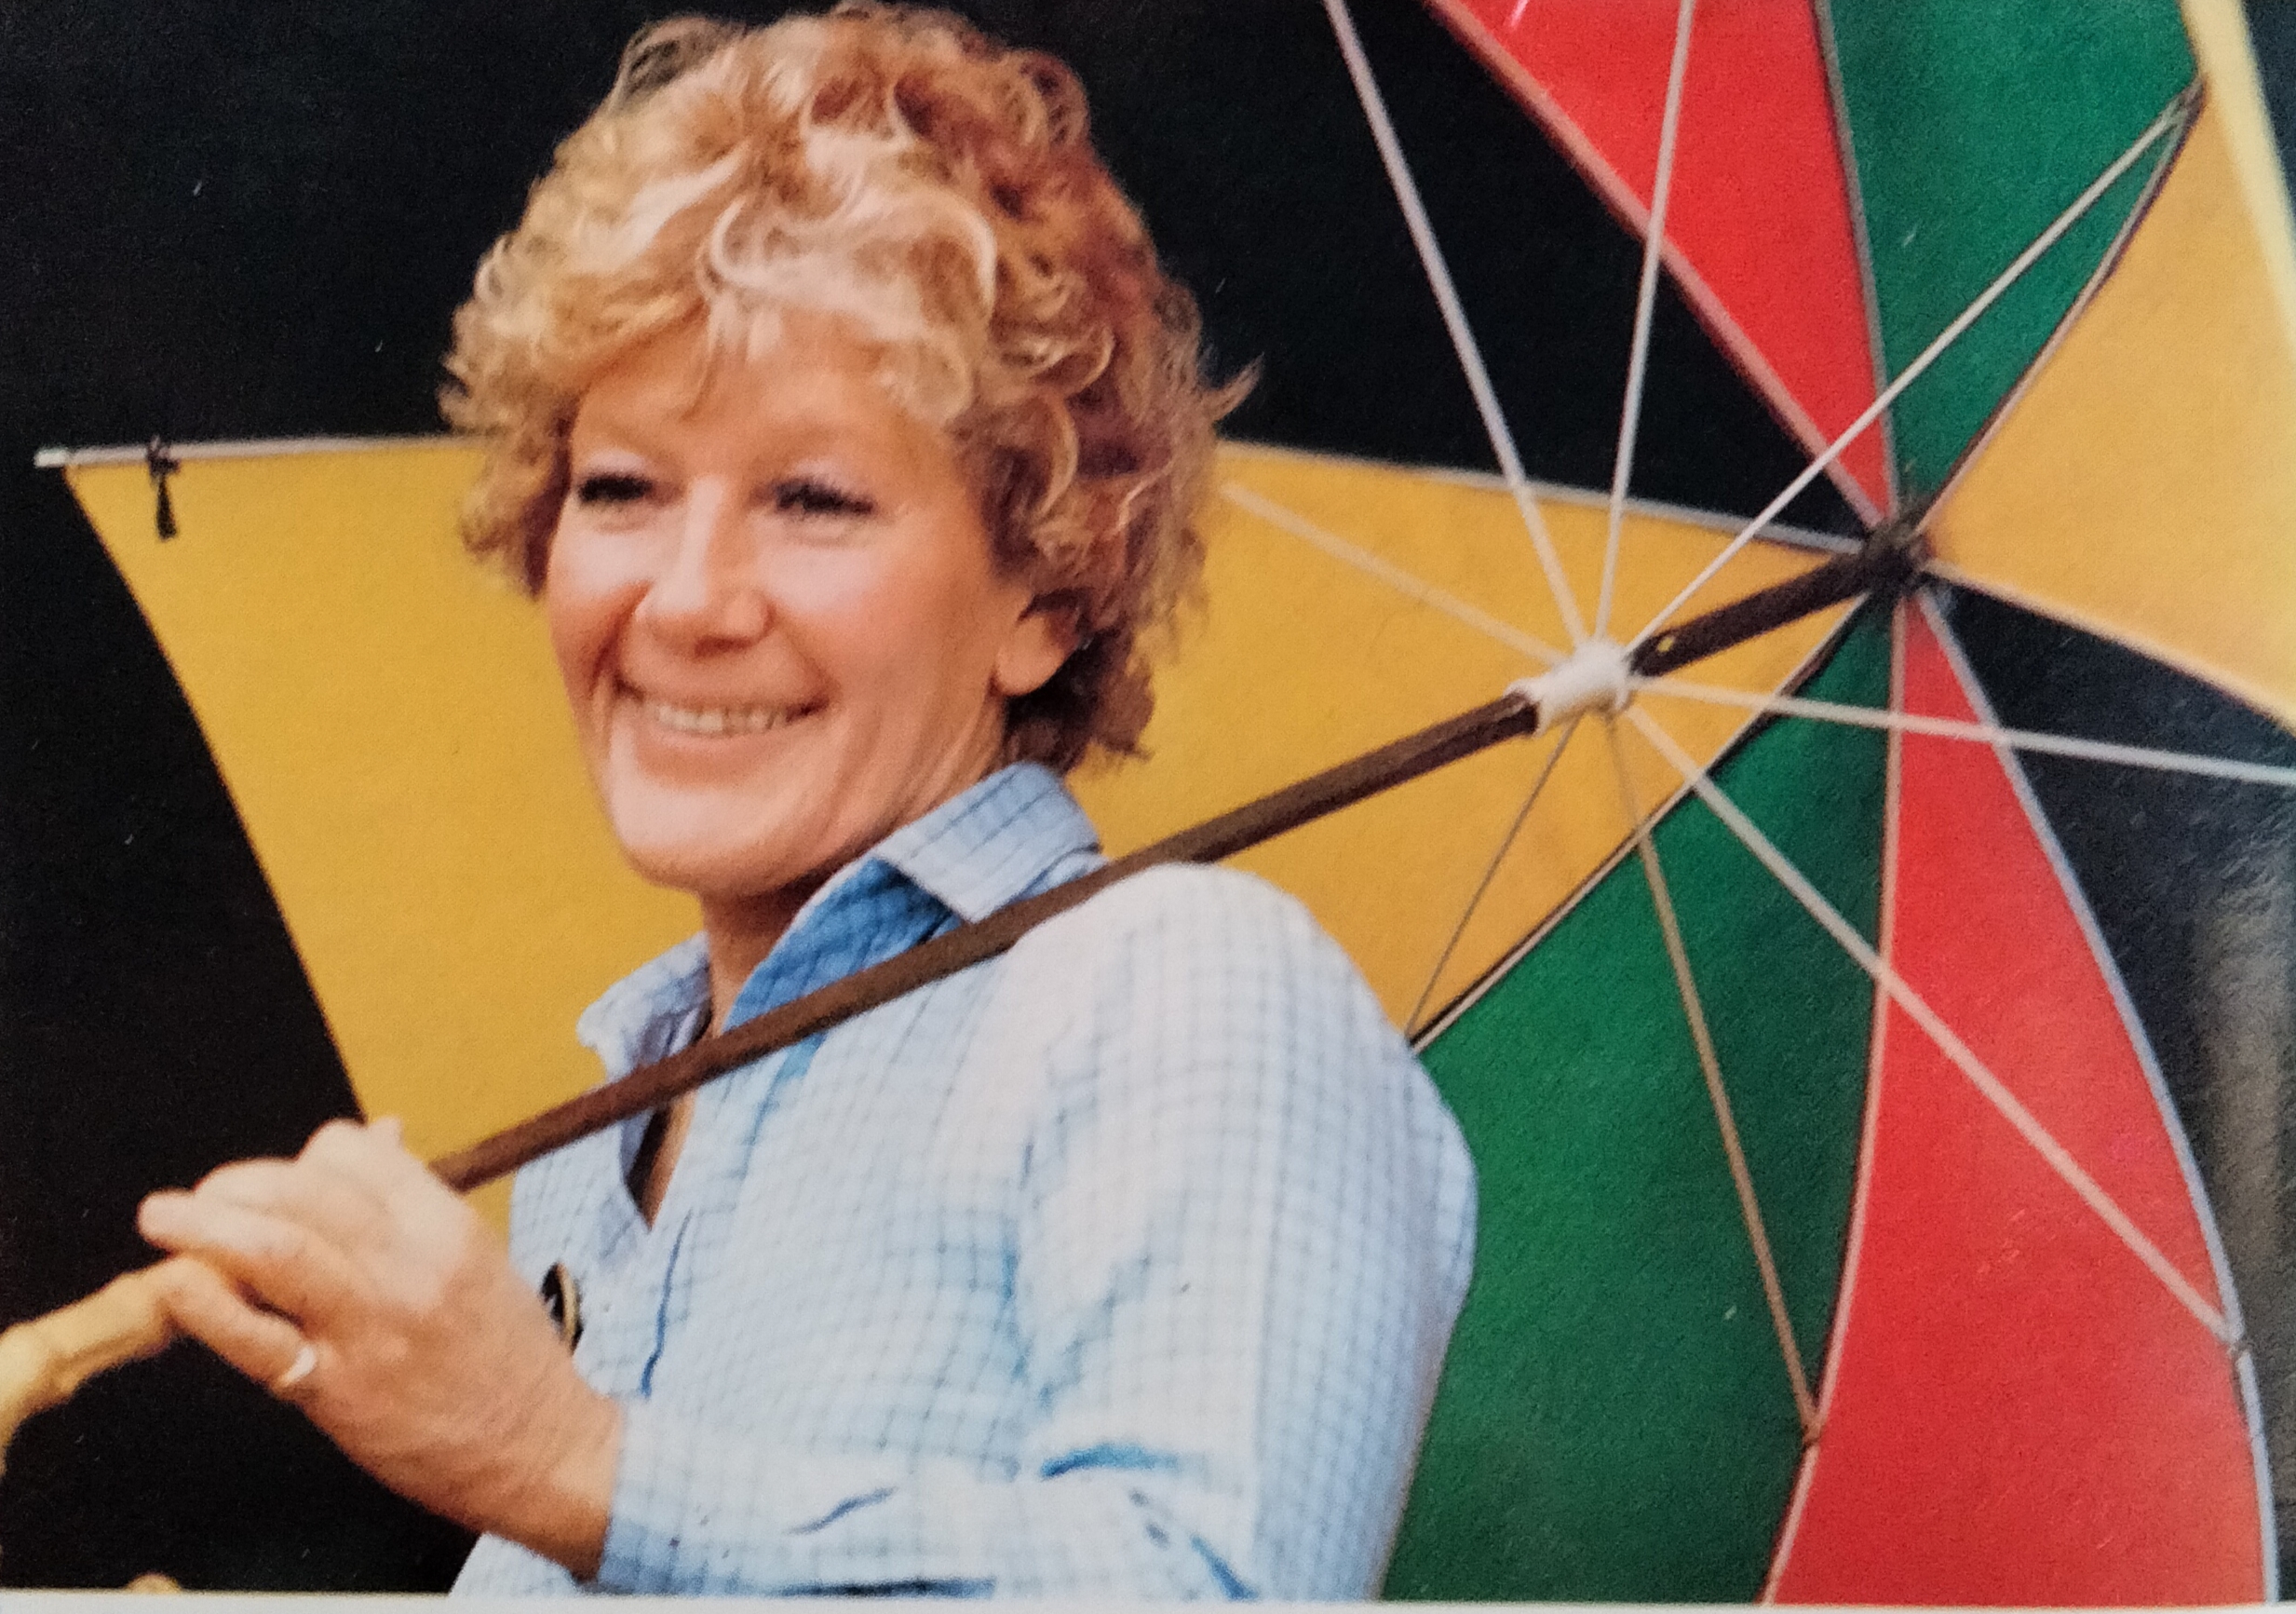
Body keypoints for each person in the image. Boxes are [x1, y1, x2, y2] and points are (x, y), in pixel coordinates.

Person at [133, 6, 1476, 1597]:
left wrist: (564, 1462)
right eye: (622, 488)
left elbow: (1209, 1591)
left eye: (813, 499)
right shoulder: (607, 1128)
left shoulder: (1168, 985)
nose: (689, 599)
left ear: (1046, 594)